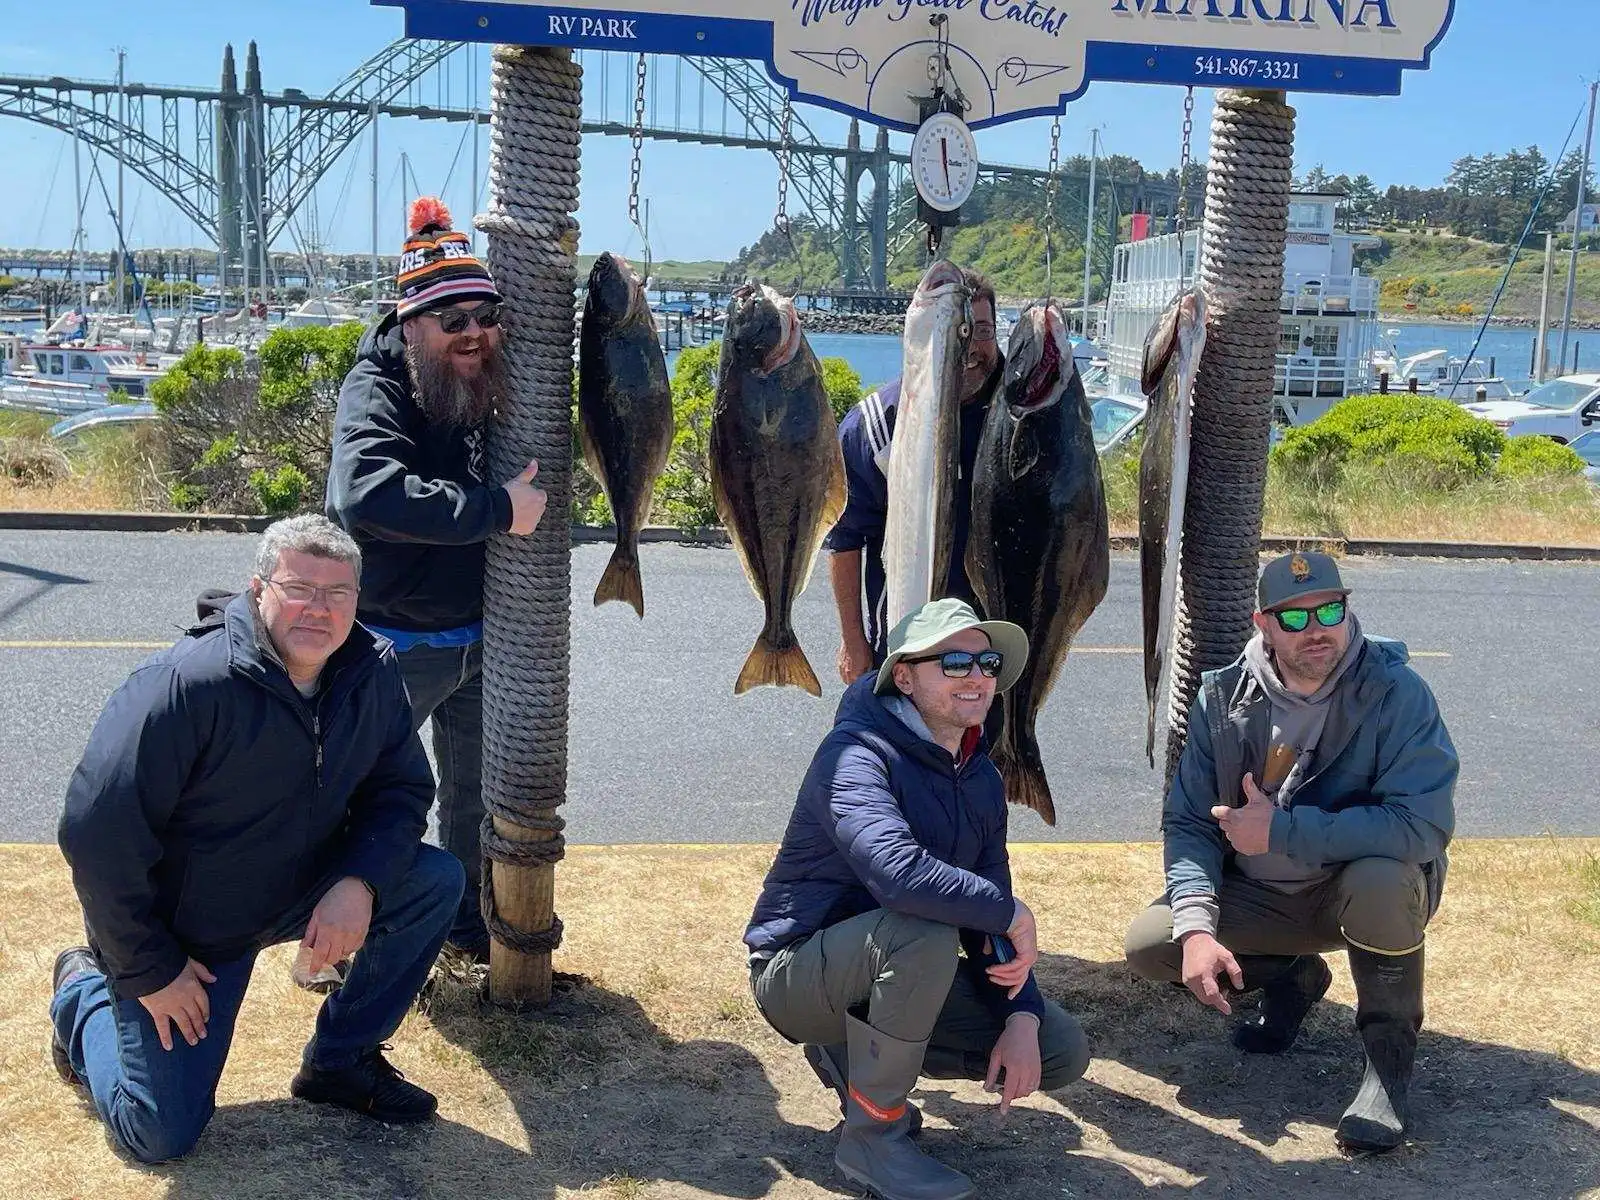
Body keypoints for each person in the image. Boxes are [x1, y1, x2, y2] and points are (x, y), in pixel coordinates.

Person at [50, 515, 463, 1164]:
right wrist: (148, 967)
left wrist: (359, 882)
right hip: (193, 933)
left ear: (359, 600)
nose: (318, 610)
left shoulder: (370, 672)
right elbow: (97, 833)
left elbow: (401, 792)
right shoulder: (187, 685)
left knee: (434, 882)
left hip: (301, 887)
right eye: (299, 588)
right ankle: (83, 994)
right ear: (259, 588)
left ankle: (341, 1062)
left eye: (338, 594)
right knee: (159, 1133)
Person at [746, 598, 1090, 1200]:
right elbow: (899, 876)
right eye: (953, 661)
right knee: (922, 928)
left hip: (890, 967)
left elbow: (988, 906)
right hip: (796, 977)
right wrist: (1009, 912)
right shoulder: (853, 756)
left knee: (1057, 1049)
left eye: (986, 662)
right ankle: (874, 1139)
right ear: (903, 676)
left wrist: (1022, 1014)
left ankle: (853, 1059)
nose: (977, 675)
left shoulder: (979, 776)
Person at [1123, 551, 1458, 1153]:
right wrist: (1198, 926)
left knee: (1384, 877)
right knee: (1153, 942)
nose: (1317, 629)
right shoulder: (1221, 699)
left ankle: (1387, 1072)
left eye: (1329, 609)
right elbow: (1189, 822)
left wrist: (1282, 832)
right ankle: (1294, 977)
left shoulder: (1397, 691)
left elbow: (1421, 827)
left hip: (1352, 893)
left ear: (1347, 608)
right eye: (1294, 618)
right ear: (1263, 623)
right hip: (1261, 894)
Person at [326, 195, 547, 964]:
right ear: (411, 323)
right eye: (453, 322)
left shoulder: (482, 374)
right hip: (393, 642)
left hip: (481, 639)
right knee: (366, 800)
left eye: (485, 316)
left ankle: (462, 931)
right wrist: (495, 509)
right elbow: (362, 493)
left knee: (470, 802)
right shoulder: (378, 385)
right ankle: (343, 951)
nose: (475, 335)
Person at [826, 269, 1004, 684]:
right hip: (906, 642)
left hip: (993, 651)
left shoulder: (1021, 418)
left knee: (991, 746)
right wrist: (853, 640)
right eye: (957, 332)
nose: (971, 348)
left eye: (983, 330)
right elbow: (845, 538)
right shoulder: (875, 426)